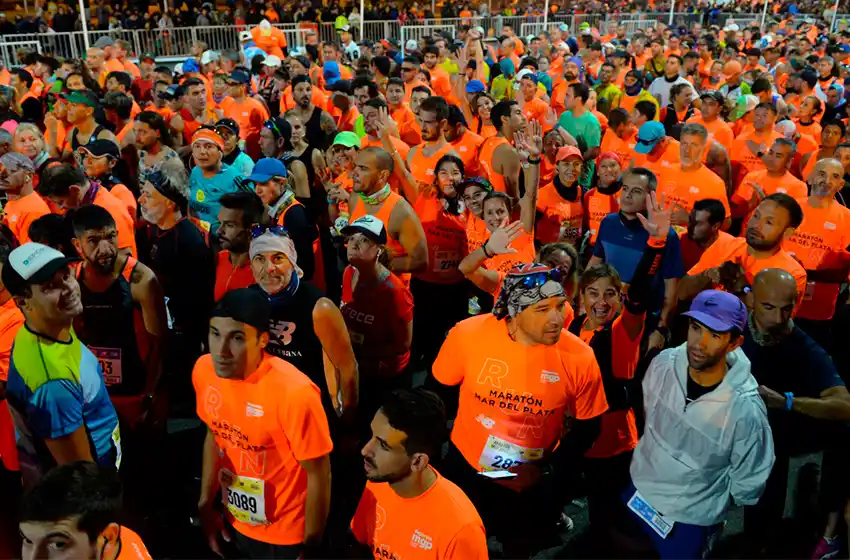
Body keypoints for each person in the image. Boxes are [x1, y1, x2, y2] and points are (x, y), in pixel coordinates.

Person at [434, 262, 608, 558]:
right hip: (467, 465)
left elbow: (589, 426)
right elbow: (439, 392)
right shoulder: (469, 334)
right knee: (457, 540)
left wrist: (549, 471)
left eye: (560, 306)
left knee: (521, 547)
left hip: (531, 479)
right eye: (542, 310)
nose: (557, 318)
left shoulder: (579, 356)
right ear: (514, 310)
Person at [624, 289, 774, 559]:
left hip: (690, 518)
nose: (698, 343)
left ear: (734, 342)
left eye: (714, 335)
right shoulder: (662, 364)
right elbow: (649, 416)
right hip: (640, 492)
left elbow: (749, 481)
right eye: (695, 328)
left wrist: (708, 498)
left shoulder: (746, 410)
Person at [195, 288, 332, 559]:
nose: (221, 351)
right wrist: (205, 504)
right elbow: (214, 434)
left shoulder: (295, 393)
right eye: (215, 334)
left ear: (262, 340)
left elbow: (319, 474)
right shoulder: (204, 370)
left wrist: (311, 544)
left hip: (285, 534)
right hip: (233, 517)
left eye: (236, 338)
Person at [572, 191, 671, 547]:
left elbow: (642, 292)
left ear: (620, 296)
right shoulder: (575, 326)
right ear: (581, 297)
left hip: (614, 443)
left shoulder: (623, 330)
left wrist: (656, 244)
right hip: (581, 436)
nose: (601, 302)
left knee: (612, 519)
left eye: (610, 294)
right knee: (597, 509)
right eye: (593, 293)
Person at [738, 269, 850, 558]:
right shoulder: (731, 326)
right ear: (751, 301)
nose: (777, 318)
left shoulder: (805, 349)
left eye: (786, 309)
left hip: (770, 446)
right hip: (722, 437)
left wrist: (787, 402)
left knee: (760, 525)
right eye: (768, 307)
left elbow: (844, 405)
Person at [2, 242, 121, 484]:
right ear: (22, 302)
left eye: (66, 276)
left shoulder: (48, 327)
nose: (69, 288)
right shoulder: (53, 384)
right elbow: (81, 475)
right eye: (50, 287)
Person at [350, 389, 487, 559]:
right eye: (372, 435)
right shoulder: (378, 481)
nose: (365, 450)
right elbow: (361, 543)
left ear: (417, 462)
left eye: (384, 446)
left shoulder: (461, 531)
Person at [248, 228, 358, 422]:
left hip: (310, 408)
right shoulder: (249, 298)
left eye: (278, 258)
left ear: (292, 262)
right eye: (259, 259)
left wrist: (347, 421)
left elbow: (347, 368)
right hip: (269, 405)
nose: (269, 268)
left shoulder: (318, 307)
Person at [71, 205, 166, 428]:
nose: (105, 248)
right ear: (78, 245)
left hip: (136, 391)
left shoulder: (141, 279)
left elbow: (160, 345)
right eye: (93, 240)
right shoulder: (73, 280)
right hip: (95, 392)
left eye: (110, 237)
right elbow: (73, 339)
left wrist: (151, 395)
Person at [136, 160, 215, 411]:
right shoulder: (153, 232)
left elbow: (199, 300)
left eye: (148, 195)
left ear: (170, 202)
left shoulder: (188, 240)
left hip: (183, 337)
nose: (141, 200)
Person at [589, 167, 684, 354]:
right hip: (605, 316)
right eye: (625, 188)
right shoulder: (608, 223)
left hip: (644, 323)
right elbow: (594, 264)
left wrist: (661, 329)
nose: (627, 195)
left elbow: (672, 290)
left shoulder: (666, 235)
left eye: (636, 191)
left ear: (651, 196)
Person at [340, 216, 414, 420]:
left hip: (385, 377)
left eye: (364, 240)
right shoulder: (348, 272)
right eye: (352, 238)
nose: (354, 244)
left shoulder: (394, 293)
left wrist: (361, 347)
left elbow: (403, 344)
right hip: (357, 367)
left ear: (379, 249)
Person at [680, 194, 808, 309]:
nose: (756, 225)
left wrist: (743, 289)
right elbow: (682, 292)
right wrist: (709, 275)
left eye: (768, 222)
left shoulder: (792, 274)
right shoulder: (724, 244)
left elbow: (771, 328)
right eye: (756, 216)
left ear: (788, 233)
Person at [19, 461, 151, 560]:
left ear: (107, 538)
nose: (33, 558)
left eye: (58, 544)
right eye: (28, 540)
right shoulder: (108, 531)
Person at [783, 158, 850, 349]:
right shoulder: (790, 209)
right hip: (779, 300)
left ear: (841, 185)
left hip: (818, 311)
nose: (826, 180)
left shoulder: (847, 219)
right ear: (810, 177)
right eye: (821, 173)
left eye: (834, 176)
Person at [347, 146, 428, 277]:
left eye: (363, 168)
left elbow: (421, 261)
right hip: (359, 287)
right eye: (355, 166)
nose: (354, 173)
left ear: (382, 175)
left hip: (389, 293)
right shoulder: (355, 197)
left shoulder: (401, 211)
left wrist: (375, 264)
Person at [37, 164, 137, 258]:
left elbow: (123, 256)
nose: (60, 208)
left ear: (75, 190)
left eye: (61, 202)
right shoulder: (86, 205)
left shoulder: (110, 209)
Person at [248, 158, 318, 282]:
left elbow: (305, 266)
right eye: (255, 184)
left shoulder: (294, 214)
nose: (257, 190)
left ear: (282, 182)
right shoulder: (276, 211)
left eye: (263, 183)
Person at [657, 123, 730, 227]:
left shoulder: (714, 183)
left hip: (690, 240)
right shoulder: (666, 171)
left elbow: (725, 224)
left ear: (704, 148)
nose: (687, 150)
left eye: (694, 145)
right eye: (684, 144)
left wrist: (691, 219)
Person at [731, 138, 807, 226]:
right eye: (770, 153)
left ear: (789, 161)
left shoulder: (798, 187)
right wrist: (750, 205)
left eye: (778, 156)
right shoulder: (751, 176)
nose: (771, 159)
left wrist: (766, 204)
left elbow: (794, 222)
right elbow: (734, 210)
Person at [188, 128, 247, 233]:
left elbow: (254, 210)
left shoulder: (235, 179)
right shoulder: (195, 171)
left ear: (220, 152)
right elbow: (191, 204)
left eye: (209, 146)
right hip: (197, 237)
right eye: (197, 146)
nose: (202, 152)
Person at [216, 191, 264, 301]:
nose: (219, 231)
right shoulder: (219, 258)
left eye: (229, 225)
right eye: (220, 223)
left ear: (252, 229)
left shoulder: (263, 272)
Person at [406, 96, 458, 189]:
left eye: (428, 122)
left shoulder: (451, 158)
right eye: (421, 121)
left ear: (443, 124)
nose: (422, 127)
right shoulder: (412, 152)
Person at [220, 67, 270, 161]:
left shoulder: (255, 107)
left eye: (232, 84)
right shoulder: (227, 104)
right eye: (227, 83)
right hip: (233, 157)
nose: (228, 86)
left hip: (254, 157)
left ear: (243, 86)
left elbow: (268, 131)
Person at [558, 83, 601, 189]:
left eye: (568, 95)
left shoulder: (591, 122)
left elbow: (593, 151)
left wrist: (574, 163)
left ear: (578, 99)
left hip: (582, 179)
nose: (564, 98)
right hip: (561, 174)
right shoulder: (564, 116)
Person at [0, 153, 49, 245]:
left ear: (29, 176)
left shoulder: (33, 211)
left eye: (11, 170)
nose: (2, 175)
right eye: (0, 170)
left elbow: (29, 254)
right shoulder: (14, 201)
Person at [478, 100, 524, 199]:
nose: (524, 118)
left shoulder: (486, 142)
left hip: (487, 208)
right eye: (518, 113)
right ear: (504, 119)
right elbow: (514, 198)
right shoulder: (509, 152)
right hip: (502, 209)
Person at [60, 90, 118, 161]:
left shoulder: (105, 137)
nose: (67, 108)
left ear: (89, 111)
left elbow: (117, 169)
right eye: (68, 104)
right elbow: (64, 161)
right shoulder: (72, 134)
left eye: (74, 104)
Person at [731, 102, 781, 181]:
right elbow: (733, 168)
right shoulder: (740, 139)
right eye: (757, 115)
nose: (759, 119)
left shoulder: (781, 142)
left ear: (775, 118)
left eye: (764, 116)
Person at [679, 199, 729, 272]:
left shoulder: (732, 249)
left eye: (698, 223)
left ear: (715, 226)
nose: (690, 226)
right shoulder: (679, 241)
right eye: (690, 220)